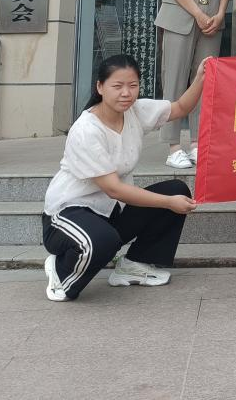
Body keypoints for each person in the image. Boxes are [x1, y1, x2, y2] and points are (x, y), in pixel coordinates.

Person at [42, 54, 203, 303]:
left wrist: (201, 77)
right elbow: (114, 189)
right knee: (104, 239)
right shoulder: (86, 130)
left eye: (133, 85)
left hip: (110, 212)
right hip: (68, 214)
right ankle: (61, 270)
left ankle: (134, 264)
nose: (126, 93)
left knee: (175, 189)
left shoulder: (135, 111)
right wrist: (168, 203)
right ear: (100, 87)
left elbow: (181, 107)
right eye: (117, 86)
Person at [154, 0, 231, 169]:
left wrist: (219, 13)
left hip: (211, 23)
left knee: (205, 82)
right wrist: (198, 14)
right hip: (180, 19)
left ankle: (199, 143)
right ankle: (173, 146)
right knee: (174, 80)